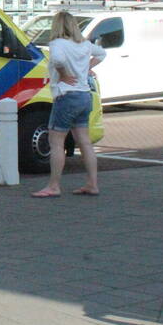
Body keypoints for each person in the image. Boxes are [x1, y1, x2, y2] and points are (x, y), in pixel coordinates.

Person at [32, 11, 107, 198]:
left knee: (56, 142)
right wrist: (88, 67)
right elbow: (103, 53)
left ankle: (54, 186)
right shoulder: (84, 44)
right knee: (85, 141)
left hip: (66, 96)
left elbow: (57, 60)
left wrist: (63, 74)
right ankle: (92, 184)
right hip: (84, 96)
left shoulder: (57, 43)